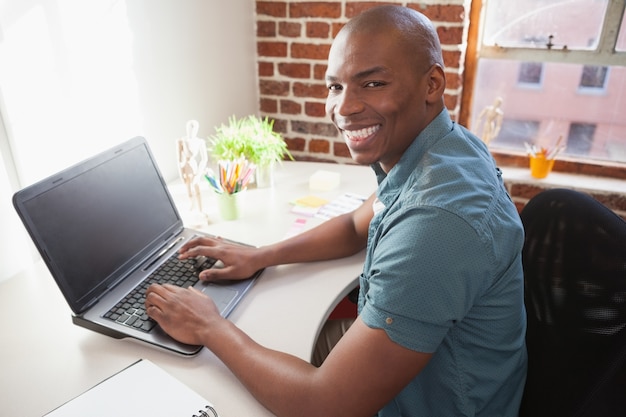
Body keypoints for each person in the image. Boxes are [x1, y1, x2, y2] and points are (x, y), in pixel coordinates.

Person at [145, 5, 527, 417]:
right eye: (335, 87)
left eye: (372, 83)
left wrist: (208, 325)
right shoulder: (443, 148)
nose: (344, 108)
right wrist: (259, 255)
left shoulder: (437, 222)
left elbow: (324, 404)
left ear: (432, 83)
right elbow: (352, 226)